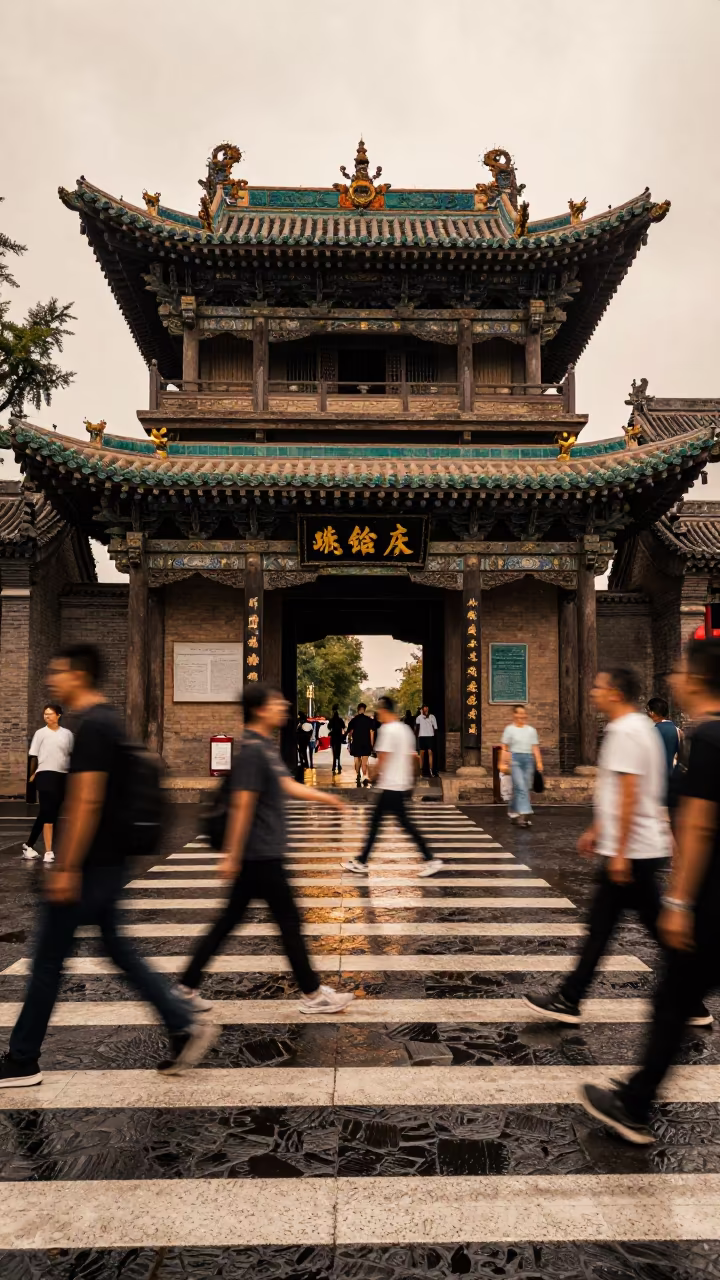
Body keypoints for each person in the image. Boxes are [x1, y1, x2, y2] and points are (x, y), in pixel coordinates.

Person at [0, 644, 217, 1089]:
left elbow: (87, 800)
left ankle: (22, 1060)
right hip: (107, 862)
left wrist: (66, 867)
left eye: (57, 672)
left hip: (90, 865)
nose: (51, 680)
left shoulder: (94, 726)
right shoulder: (106, 722)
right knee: (115, 951)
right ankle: (182, 1022)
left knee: (46, 962)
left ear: (78, 676)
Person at [580, 640, 720, 1144]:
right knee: (675, 996)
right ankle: (636, 1098)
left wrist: (679, 903)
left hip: (710, 900)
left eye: (682, 669)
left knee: (670, 1001)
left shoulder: (705, 738)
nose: (675, 676)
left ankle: (635, 1106)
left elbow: (700, 827)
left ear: (699, 681)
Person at [523, 666, 711, 1029]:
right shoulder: (641, 727)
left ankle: (570, 998)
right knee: (632, 927)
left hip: (634, 849)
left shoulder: (625, 731)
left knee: (607, 928)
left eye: (598, 686)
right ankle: (691, 1000)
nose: (593, 691)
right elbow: (629, 789)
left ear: (615, 693)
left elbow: (628, 793)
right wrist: (598, 828)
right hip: (639, 844)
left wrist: (620, 850)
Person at [178, 682, 355, 1014]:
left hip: (260, 855)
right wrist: (232, 855)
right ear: (260, 710)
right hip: (259, 855)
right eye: (277, 702)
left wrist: (327, 798)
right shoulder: (253, 752)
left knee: (231, 921)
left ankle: (185, 986)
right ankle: (312, 994)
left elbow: (286, 785)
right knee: (287, 922)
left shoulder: (262, 747)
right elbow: (243, 804)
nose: (284, 705)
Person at [343, 695, 444, 876]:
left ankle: (430, 859)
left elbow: (384, 759)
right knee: (390, 824)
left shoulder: (388, 730)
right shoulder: (405, 729)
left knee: (388, 824)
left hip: (391, 786)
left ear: (383, 710)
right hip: (401, 785)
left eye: (379, 711)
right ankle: (363, 860)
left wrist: (372, 776)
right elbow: (413, 757)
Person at [22, 704, 74, 865]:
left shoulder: (67, 734)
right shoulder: (40, 733)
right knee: (48, 811)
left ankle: (29, 845)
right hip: (44, 773)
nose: (47, 717)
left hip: (62, 775)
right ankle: (49, 851)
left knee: (50, 812)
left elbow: (71, 755)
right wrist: (31, 774)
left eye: (50, 714)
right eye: (45, 714)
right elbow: (33, 756)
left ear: (58, 715)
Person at [500, 705, 543, 827]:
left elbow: (535, 747)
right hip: (515, 760)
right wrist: (503, 763)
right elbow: (505, 747)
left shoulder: (531, 730)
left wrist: (539, 762)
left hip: (528, 760)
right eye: (518, 713)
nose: (521, 716)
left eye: (523, 713)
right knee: (520, 786)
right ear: (514, 715)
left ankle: (513, 813)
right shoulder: (509, 729)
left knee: (524, 787)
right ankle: (525, 813)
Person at [647, 696, 680, 777]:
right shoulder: (677, 730)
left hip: (655, 777)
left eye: (647, 710)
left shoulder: (652, 732)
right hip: (670, 775)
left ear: (652, 713)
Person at [347, 702, 375, 787]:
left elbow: (350, 732)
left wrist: (349, 742)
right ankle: (364, 777)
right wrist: (372, 744)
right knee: (364, 763)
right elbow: (372, 733)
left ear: (358, 709)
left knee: (357, 760)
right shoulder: (369, 720)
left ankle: (358, 774)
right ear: (364, 710)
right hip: (366, 743)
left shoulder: (354, 720)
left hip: (356, 743)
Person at [415, 704, 439, 777]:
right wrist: (416, 736)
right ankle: (421, 771)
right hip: (422, 736)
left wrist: (434, 737)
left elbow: (435, 728)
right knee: (421, 753)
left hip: (430, 736)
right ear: (422, 710)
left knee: (430, 753)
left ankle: (431, 770)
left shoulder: (432, 717)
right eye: (424, 709)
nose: (426, 711)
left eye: (427, 709)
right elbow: (417, 727)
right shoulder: (419, 718)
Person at [327, 705, 345, 774]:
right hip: (339, 738)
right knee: (338, 753)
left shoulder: (331, 720)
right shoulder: (340, 720)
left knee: (334, 753)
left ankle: (334, 766)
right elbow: (343, 726)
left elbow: (329, 727)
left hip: (333, 738)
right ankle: (339, 766)